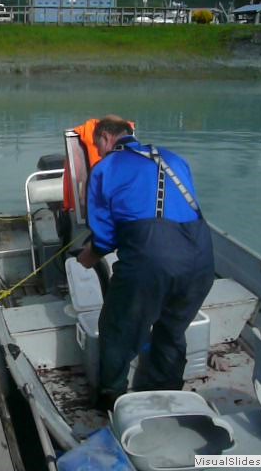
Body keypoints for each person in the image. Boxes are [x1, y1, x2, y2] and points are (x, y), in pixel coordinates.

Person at [77, 115, 214, 412]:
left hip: (152, 258)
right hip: (201, 257)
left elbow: (103, 238)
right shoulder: (174, 159)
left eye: (98, 147)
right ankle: (168, 397)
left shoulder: (105, 168)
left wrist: (86, 259)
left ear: (104, 139)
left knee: (117, 327)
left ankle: (111, 401)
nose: (99, 153)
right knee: (171, 330)